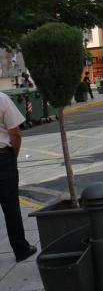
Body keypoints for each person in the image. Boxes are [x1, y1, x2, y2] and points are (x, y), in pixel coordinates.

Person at [0, 91, 37, 262]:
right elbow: (15, 132)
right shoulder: (2, 98)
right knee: (11, 207)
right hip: (3, 158)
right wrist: (12, 154)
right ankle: (21, 249)